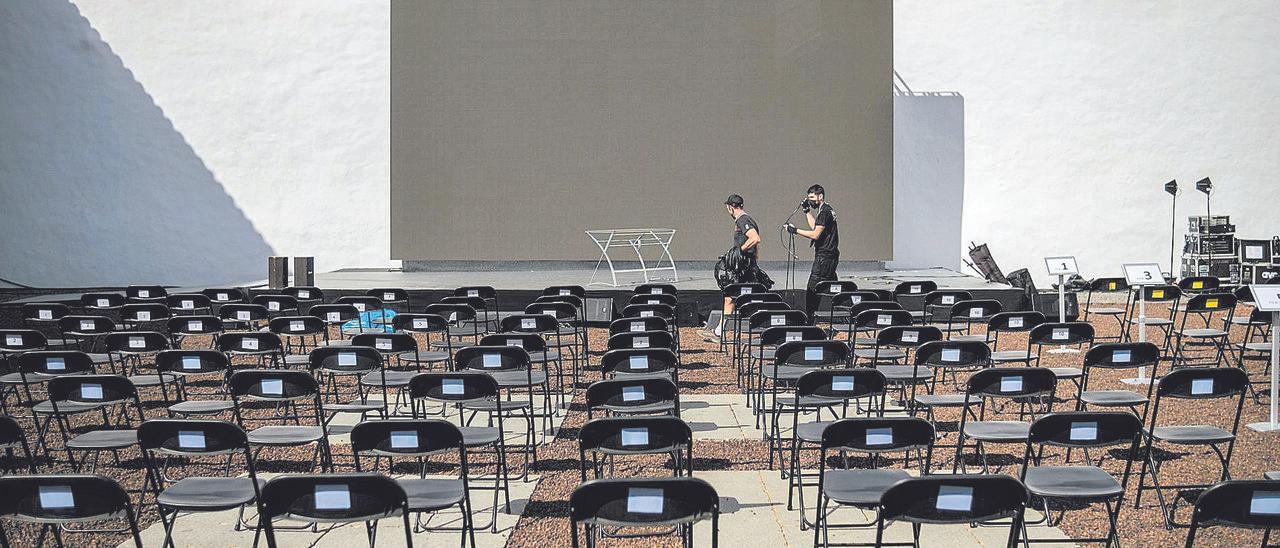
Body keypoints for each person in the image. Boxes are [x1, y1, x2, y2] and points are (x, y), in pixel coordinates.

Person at [700, 194, 764, 342]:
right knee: (731, 299)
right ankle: (718, 331)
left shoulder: (743, 219)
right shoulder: (747, 219)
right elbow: (756, 245)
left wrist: (739, 252)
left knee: (731, 298)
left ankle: (718, 332)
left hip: (743, 268)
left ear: (731, 207)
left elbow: (755, 238)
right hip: (748, 266)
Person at [785, 184, 840, 320]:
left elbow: (815, 234)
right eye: (808, 198)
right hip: (830, 257)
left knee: (812, 290)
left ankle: (809, 323)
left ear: (820, 196)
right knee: (834, 288)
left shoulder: (825, 211)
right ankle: (848, 314)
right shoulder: (825, 210)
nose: (810, 200)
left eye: (812, 197)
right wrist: (806, 211)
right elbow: (816, 226)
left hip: (824, 258)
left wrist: (795, 230)